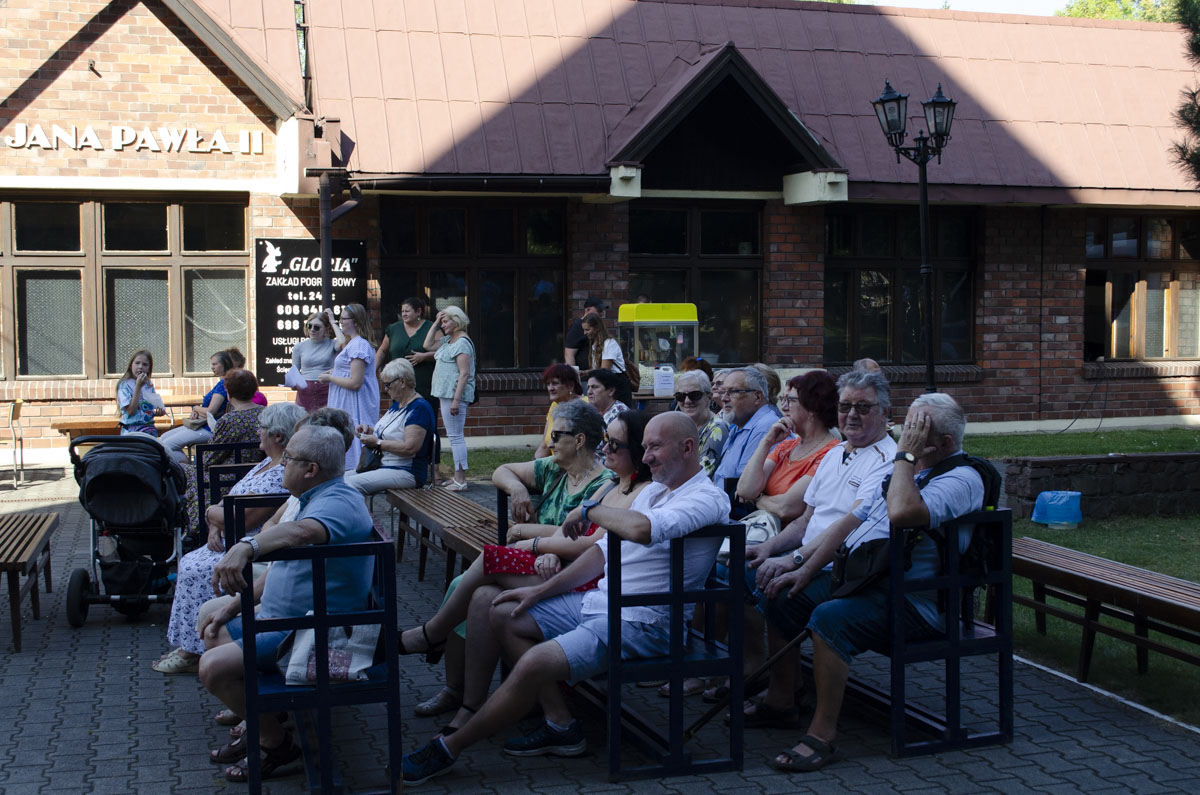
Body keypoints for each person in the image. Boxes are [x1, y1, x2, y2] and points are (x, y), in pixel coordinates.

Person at [400, 413, 730, 784]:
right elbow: (601, 555)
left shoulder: (707, 499)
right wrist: (537, 591)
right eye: (645, 446)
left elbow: (641, 529)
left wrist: (589, 508)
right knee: (500, 607)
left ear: (688, 448)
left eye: (654, 447)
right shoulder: (656, 491)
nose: (646, 456)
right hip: (602, 606)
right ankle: (559, 725)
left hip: (645, 623)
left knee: (535, 660)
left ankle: (451, 747)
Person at [761, 392, 983, 772]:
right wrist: (804, 568)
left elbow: (901, 512)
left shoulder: (963, 477)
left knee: (830, 618)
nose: (906, 435)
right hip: (869, 584)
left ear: (944, 443)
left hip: (919, 604)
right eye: (908, 425)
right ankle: (783, 699)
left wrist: (905, 458)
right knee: (782, 596)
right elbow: (851, 522)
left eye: (917, 430)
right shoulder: (906, 470)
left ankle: (823, 735)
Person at [405, 409, 650, 736]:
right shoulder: (608, 489)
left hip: (585, 581)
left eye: (614, 444)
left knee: (491, 560)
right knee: (481, 595)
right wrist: (523, 502)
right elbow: (563, 527)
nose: (605, 449)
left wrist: (532, 542)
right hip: (560, 567)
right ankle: (469, 705)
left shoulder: (620, 488)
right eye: (606, 442)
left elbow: (591, 546)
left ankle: (431, 636)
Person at [199, 424, 376, 783]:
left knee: (211, 668)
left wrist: (245, 547)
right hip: (290, 620)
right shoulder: (315, 496)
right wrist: (233, 607)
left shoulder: (338, 504)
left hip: (317, 633)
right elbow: (282, 572)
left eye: (289, 460)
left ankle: (274, 743)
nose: (281, 466)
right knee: (209, 615)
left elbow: (300, 534)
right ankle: (264, 717)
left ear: (310, 469)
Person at [741, 368, 896, 728]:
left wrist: (794, 563)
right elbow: (806, 521)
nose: (852, 415)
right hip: (817, 559)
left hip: (853, 572)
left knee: (778, 592)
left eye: (863, 407)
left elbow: (848, 529)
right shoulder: (836, 453)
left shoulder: (887, 460)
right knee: (752, 573)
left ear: (885, 412)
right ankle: (780, 686)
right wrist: (770, 550)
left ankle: (782, 697)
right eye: (845, 406)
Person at [151, 402, 307, 675]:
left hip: (246, 542)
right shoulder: (266, 462)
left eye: (262, 428)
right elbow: (232, 497)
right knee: (190, 562)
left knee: (195, 566)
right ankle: (191, 645)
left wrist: (212, 514)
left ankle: (194, 650)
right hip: (228, 536)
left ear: (278, 437)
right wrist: (213, 523)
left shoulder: (280, 472)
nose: (258, 432)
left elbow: (244, 519)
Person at [179, 369, 268, 541]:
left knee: (183, 470)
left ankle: (190, 526)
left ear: (229, 393)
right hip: (255, 475)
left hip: (225, 479)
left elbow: (208, 459)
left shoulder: (229, 420)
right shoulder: (265, 413)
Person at [344, 358, 436, 496]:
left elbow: (410, 448)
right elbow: (392, 432)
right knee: (338, 480)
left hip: (406, 471)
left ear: (403, 382)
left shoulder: (418, 409)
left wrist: (378, 443)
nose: (385, 389)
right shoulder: (397, 405)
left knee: (350, 485)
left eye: (387, 385)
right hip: (383, 466)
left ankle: (362, 518)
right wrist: (370, 431)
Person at [319, 303, 380, 472]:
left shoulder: (359, 345)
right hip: (346, 401)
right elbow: (348, 368)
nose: (341, 322)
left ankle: (355, 472)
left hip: (354, 403)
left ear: (355, 321)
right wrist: (336, 371)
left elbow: (355, 382)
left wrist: (330, 377)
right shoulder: (353, 343)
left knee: (354, 437)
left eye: (344, 319)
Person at [425, 305, 476, 491]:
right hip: (445, 394)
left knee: (456, 437)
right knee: (454, 436)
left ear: (457, 321)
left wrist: (456, 400)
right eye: (443, 321)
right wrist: (436, 323)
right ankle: (457, 477)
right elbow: (427, 345)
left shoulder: (462, 343)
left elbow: (464, 374)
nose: (443, 325)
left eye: (446, 321)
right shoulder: (448, 340)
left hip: (454, 396)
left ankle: (460, 480)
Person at [159, 350, 234, 460]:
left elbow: (211, 411)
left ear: (225, 363)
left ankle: (188, 471)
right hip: (202, 425)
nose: (212, 367)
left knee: (167, 445)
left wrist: (196, 408)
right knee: (163, 438)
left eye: (215, 364)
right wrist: (197, 411)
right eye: (211, 364)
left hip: (209, 429)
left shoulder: (223, 384)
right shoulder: (222, 382)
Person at [712, 367, 778, 487]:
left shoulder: (765, 428)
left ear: (757, 396)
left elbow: (742, 488)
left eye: (732, 392)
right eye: (723, 392)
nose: (724, 398)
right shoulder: (738, 425)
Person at [378, 296, 438, 413]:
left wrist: (424, 357)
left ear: (418, 311)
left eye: (407, 311)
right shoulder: (394, 329)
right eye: (402, 311)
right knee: (400, 422)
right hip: (399, 387)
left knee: (425, 422)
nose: (404, 314)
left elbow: (443, 353)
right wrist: (371, 371)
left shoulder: (431, 328)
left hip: (425, 385)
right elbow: (382, 351)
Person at [674, 369, 727, 479]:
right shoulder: (680, 428)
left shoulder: (717, 428)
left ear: (709, 396)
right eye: (681, 396)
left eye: (695, 395)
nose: (687, 401)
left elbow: (701, 475)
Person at [533, 364, 585, 459]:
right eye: (548, 384)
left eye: (555, 383)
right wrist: (534, 466)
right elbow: (544, 447)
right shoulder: (555, 406)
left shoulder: (585, 405)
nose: (550, 388)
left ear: (570, 386)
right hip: (555, 463)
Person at [581, 313, 634, 406]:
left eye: (587, 329)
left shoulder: (609, 343)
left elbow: (604, 371)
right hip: (606, 384)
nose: (585, 333)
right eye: (584, 330)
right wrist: (583, 372)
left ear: (597, 328)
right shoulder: (595, 345)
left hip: (618, 385)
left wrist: (585, 372)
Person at [290, 312, 337, 410]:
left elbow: (342, 342)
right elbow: (294, 371)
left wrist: (332, 322)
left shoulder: (333, 344)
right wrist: (294, 383)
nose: (312, 330)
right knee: (304, 421)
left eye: (317, 327)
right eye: (309, 326)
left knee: (327, 420)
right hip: (306, 390)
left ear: (326, 329)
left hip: (326, 389)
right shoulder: (299, 347)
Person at [115, 349, 166, 436]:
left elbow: (148, 409)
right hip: (132, 429)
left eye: (145, 364)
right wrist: (138, 387)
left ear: (149, 368)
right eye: (137, 363)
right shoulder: (124, 385)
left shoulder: (148, 384)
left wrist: (158, 412)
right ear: (131, 365)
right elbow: (131, 411)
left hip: (149, 428)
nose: (140, 367)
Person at [584, 369, 628, 463]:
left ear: (611, 391)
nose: (589, 392)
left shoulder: (619, 414)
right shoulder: (593, 413)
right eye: (588, 387)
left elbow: (617, 454)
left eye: (594, 387)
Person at [563, 297, 605, 367]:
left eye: (602, 311)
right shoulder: (577, 327)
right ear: (588, 309)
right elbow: (569, 354)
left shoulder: (599, 325)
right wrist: (573, 375)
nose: (602, 313)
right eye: (599, 310)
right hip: (584, 374)